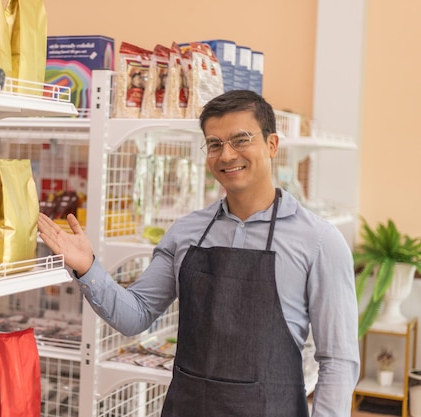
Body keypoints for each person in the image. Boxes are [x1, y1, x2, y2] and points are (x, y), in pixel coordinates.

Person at [38, 89, 359, 417]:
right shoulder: (186, 233)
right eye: (215, 144)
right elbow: (135, 315)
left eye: (241, 139)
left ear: (272, 144)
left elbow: (338, 361)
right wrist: (88, 267)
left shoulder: (320, 242)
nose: (227, 155)